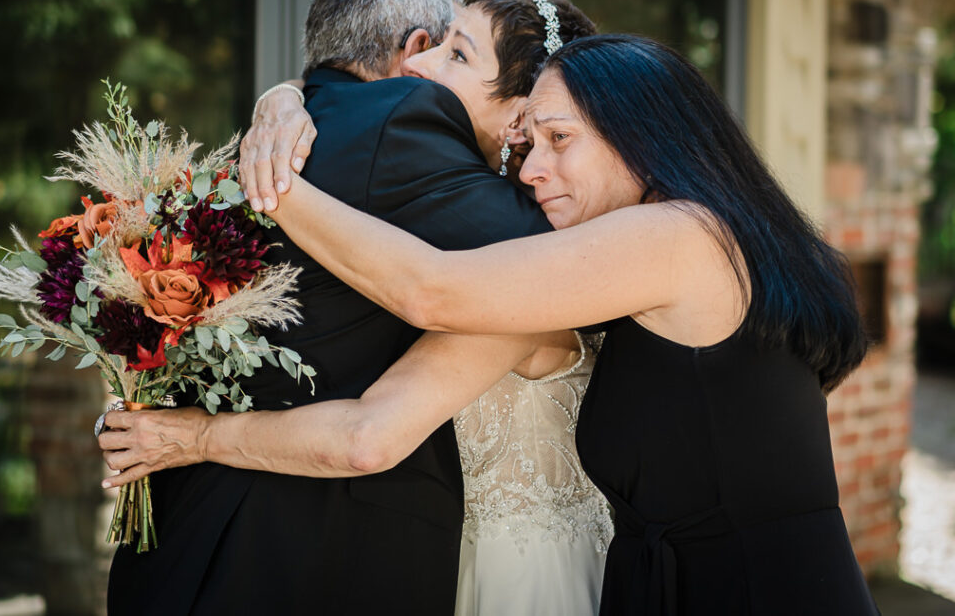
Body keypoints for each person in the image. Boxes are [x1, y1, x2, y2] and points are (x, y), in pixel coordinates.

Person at [176, 33, 880, 615]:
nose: (534, 169)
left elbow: (431, 290)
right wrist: (282, 98)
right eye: (525, 144)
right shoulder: (670, 252)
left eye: (558, 139)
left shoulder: (680, 235)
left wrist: (272, 183)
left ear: (642, 134)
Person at [101, 0, 608, 616]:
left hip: (215, 538)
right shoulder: (391, 128)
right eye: (437, 47)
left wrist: (282, 105)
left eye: (456, 54)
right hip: (290, 551)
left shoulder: (295, 134)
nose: (421, 69)